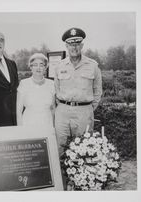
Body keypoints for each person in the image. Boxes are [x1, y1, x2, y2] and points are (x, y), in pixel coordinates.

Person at [54, 27, 102, 156]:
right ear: (66, 46)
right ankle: (62, 176)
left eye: (77, 44)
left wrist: (88, 109)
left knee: (84, 147)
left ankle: (81, 176)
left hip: (84, 112)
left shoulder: (92, 66)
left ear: (82, 45)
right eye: (71, 44)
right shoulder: (59, 66)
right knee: (60, 147)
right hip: (62, 112)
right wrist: (62, 107)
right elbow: (56, 89)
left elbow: (98, 91)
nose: (74, 48)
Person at [17, 53, 55, 126]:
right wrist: (20, 130)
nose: (38, 68)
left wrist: (53, 128)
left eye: (41, 65)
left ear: (46, 67)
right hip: (28, 123)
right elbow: (19, 111)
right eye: (35, 65)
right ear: (30, 67)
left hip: (47, 123)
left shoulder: (51, 84)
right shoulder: (24, 84)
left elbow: (53, 108)